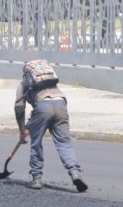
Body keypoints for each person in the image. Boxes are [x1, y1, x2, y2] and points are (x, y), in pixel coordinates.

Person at [14, 60, 86, 192]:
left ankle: (36, 178)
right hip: (60, 104)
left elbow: (19, 108)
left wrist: (21, 131)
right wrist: (33, 119)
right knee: (64, 143)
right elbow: (46, 105)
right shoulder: (51, 82)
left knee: (36, 143)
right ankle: (75, 173)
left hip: (42, 107)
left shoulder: (23, 83)